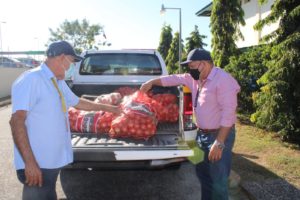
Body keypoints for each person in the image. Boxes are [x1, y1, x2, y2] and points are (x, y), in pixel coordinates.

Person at [9, 40, 121, 200]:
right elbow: (16, 121)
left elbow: (78, 102)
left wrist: (109, 108)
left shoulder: (57, 82)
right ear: (61, 58)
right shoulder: (32, 79)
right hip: (37, 162)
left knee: (48, 194)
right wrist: (30, 163)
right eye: (71, 62)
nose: (71, 68)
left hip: (51, 161)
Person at [140, 48, 240, 200]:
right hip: (202, 136)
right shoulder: (195, 79)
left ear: (204, 64)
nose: (190, 70)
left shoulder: (223, 80)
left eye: (193, 66)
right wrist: (151, 82)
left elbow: (228, 114)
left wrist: (219, 143)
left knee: (219, 182)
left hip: (218, 136)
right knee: (204, 177)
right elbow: (173, 78)